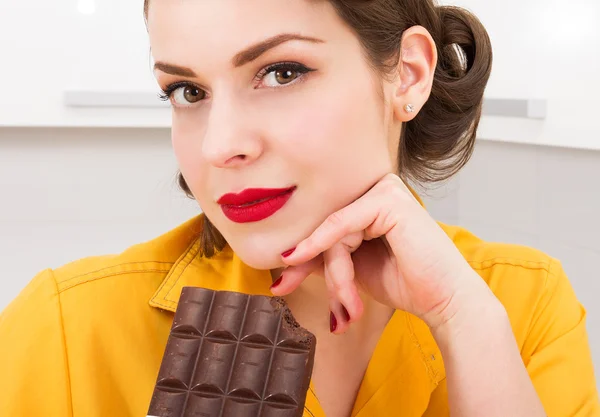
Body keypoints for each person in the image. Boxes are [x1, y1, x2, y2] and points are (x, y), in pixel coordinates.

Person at [1, 0, 598, 416]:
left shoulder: (522, 308)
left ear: (408, 76)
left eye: (281, 72)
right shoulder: (64, 331)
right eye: (188, 92)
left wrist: (461, 320)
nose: (219, 145)